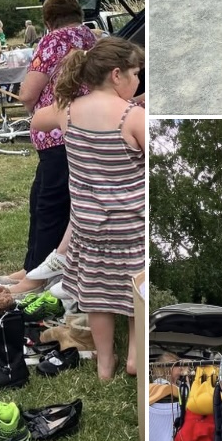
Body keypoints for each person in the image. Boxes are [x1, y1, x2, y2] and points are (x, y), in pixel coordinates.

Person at [31, 37, 145, 380]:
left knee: (97, 296)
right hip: (131, 225)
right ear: (116, 75)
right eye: (136, 74)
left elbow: (37, 121)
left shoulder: (68, 111)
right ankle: (135, 358)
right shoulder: (133, 117)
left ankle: (105, 364)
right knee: (136, 291)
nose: (138, 80)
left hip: (88, 225)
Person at [15, 0, 97, 277]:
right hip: (85, 129)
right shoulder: (90, 37)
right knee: (43, 196)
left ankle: (39, 272)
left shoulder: (53, 41)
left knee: (49, 205)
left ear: (48, 20)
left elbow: (28, 92)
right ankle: (30, 267)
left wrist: (35, 111)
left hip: (56, 134)